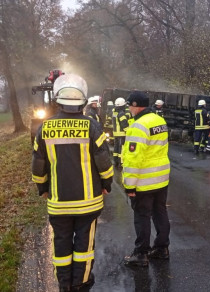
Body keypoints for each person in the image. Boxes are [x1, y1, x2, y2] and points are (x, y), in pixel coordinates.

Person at [31, 74, 113, 292]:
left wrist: (43, 188)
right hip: (88, 203)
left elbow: (38, 166)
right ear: (83, 101)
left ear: (58, 100)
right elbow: (104, 162)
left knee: (61, 244)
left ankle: (64, 283)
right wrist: (108, 183)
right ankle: (81, 283)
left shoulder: (45, 128)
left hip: (59, 203)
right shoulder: (92, 127)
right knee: (84, 246)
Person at [122, 91, 171, 267]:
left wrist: (129, 185)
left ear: (136, 105)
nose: (129, 109)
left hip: (144, 181)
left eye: (130, 106)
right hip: (161, 179)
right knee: (160, 212)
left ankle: (141, 254)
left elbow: (134, 159)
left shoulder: (138, 126)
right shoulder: (159, 120)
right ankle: (162, 248)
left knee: (142, 216)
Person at [112, 97, 130, 168]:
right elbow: (124, 124)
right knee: (121, 149)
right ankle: (121, 163)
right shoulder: (121, 113)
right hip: (122, 134)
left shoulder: (114, 112)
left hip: (116, 133)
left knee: (116, 148)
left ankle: (115, 161)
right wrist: (129, 131)